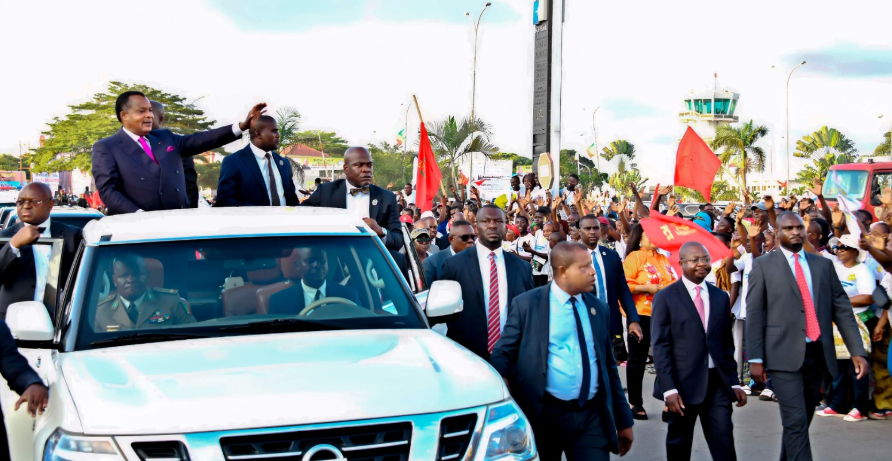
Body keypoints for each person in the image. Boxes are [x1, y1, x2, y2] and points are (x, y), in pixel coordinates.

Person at [490, 241, 634, 460]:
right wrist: (501, 385)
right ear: (563, 271)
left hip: (591, 417)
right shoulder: (528, 305)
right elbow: (504, 352)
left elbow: (608, 369)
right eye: (585, 266)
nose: (593, 272)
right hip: (544, 416)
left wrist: (624, 421)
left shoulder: (598, 308)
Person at [747, 212, 868, 461]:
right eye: (789, 228)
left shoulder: (823, 265)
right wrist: (755, 358)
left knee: (799, 423)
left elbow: (842, 309)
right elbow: (755, 314)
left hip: (818, 354)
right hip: (782, 356)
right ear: (778, 233)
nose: (796, 232)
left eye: (799, 227)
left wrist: (857, 351)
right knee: (796, 422)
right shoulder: (763, 265)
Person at [92, 91, 265, 214]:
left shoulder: (165, 137)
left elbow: (202, 139)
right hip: (137, 232)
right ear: (124, 116)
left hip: (176, 226)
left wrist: (241, 126)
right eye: (142, 111)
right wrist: (138, 216)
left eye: (150, 110)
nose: (150, 116)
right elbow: (109, 191)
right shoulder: (106, 147)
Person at [651, 242, 746, 460]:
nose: (702, 264)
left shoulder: (720, 297)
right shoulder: (666, 297)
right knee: (679, 444)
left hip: (717, 384)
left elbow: (725, 344)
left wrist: (733, 382)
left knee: (724, 442)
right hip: (682, 385)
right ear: (681, 263)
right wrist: (669, 389)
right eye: (695, 260)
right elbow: (661, 347)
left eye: (705, 259)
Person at [437, 205, 534, 360]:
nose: (492, 225)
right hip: (466, 357)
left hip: (512, 358)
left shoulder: (522, 268)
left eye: (498, 221)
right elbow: (441, 312)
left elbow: (530, 313)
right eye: (486, 221)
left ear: (505, 226)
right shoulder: (453, 265)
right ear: (476, 227)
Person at [815, 234, 875, 422]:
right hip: (836, 321)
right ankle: (838, 404)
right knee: (838, 365)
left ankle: (860, 408)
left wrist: (840, 302)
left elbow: (867, 297)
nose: (839, 250)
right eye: (838, 247)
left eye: (844, 247)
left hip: (857, 321)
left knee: (856, 364)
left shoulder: (862, 270)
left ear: (855, 251)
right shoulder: (835, 267)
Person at [0, 183, 82, 320]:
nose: (26, 206)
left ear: (50, 204)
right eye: (21, 201)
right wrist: (13, 245)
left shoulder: (72, 235)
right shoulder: (5, 237)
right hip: (14, 321)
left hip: (61, 320)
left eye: (34, 201)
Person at [623, 223, 678, 420]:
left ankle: (668, 401)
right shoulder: (634, 257)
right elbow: (624, 284)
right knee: (637, 359)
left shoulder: (663, 259)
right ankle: (634, 402)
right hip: (641, 314)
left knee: (668, 357)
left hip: (666, 314)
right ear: (640, 238)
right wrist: (646, 287)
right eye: (650, 235)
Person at [301, 147, 401, 251]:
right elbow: (300, 217)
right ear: (346, 168)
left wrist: (381, 231)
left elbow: (398, 240)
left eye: (369, 165)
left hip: (371, 262)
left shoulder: (387, 197)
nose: (366, 169)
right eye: (359, 165)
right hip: (332, 258)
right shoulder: (325, 192)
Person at [577, 215, 643, 347]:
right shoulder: (572, 256)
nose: (592, 232)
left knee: (609, 364)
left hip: (610, 321)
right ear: (580, 231)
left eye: (596, 228)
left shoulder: (612, 256)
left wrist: (633, 320)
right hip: (582, 322)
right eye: (587, 228)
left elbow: (623, 290)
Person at [94, 254, 196, 331]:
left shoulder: (172, 302)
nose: (131, 279)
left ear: (147, 276)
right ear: (114, 280)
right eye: (124, 275)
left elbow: (194, 337)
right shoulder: (100, 311)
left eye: (137, 274)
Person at [215, 115, 298, 207]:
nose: (278, 135)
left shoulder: (284, 163)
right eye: (274, 131)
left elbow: (293, 201)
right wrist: (259, 215)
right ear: (258, 134)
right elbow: (225, 201)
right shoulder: (233, 162)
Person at [269, 248, 360, 315]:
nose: (317, 265)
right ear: (297, 265)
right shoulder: (280, 302)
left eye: (322, 260)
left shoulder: (349, 297)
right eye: (311, 261)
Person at [150, 100, 200, 209]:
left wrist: (188, 214)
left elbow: (189, 186)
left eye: (150, 113)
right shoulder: (125, 145)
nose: (145, 116)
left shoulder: (177, 144)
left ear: (160, 119)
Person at [423, 220, 475, 286]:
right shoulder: (432, 263)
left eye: (473, 237)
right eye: (465, 238)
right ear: (451, 239)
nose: (470, 241)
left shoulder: (478, 259)